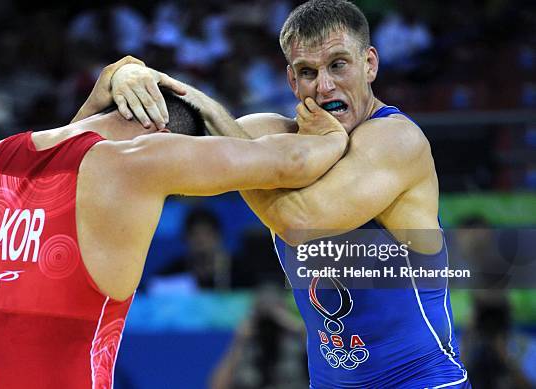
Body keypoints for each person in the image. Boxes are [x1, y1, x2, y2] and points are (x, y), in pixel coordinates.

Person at [105, 1, 471, 387]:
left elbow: (300, 221)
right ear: (292, 81)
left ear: (370, 64)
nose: (324, 85)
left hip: (421, 381)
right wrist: (123, 77)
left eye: (338, 65)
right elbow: (162, 143)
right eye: (308, 72)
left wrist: (237, 157)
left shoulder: (396, 139)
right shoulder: (271, 133)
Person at [0, 56, 349, 388]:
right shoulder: (140, 161)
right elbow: (291, 163)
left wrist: (113, 76)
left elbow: (67, 150)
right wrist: (332, 127)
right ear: (160, 132)